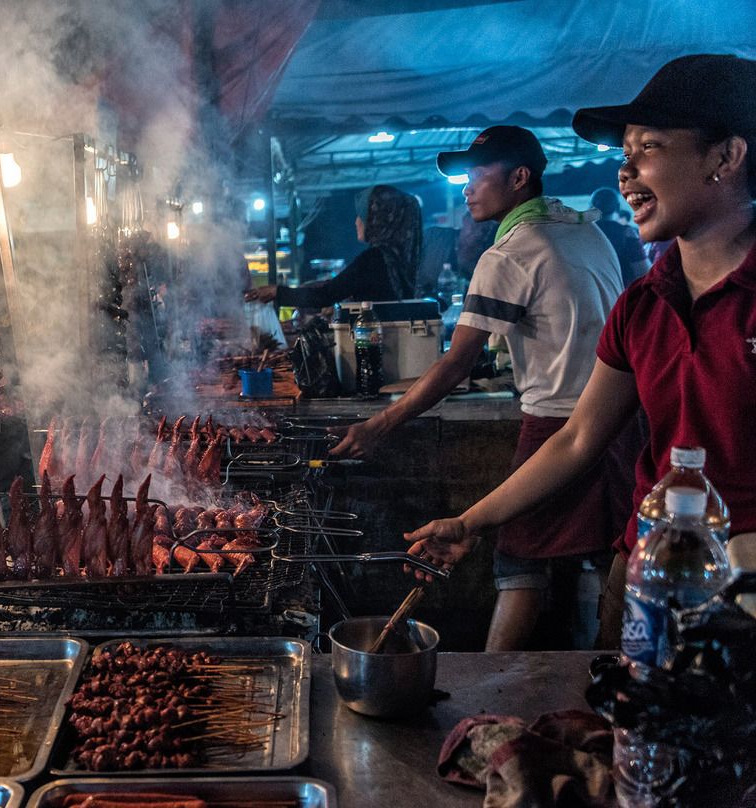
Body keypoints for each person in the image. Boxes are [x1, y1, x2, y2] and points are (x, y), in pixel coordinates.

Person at [404, 54, 756, 649]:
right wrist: (471, 522)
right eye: (624, 153)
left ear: (726, 156)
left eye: (649, 147)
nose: (626, 171)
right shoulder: (643, 304)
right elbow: (576, 439)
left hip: (745, 589)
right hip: (645, 572)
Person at [330, 125, 624, 651]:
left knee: (519, 560)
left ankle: (492, 683)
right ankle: (604, 677)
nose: (467, 188)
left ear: (518, 178)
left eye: (476, 174)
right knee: (603, 555)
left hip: (558, 424)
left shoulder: (511, 252)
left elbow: (455, 365)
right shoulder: (586, 230)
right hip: (620, 421)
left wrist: (379, 425)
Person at [245, 184, 421, 308]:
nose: (356, 222)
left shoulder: (374, 259)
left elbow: (325, 296)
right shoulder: (401, 256)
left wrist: (277, 292)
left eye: (362, 215)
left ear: (379, 220)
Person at [590, 186, 649, 287]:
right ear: (617, 207)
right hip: (621, 295)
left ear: (591, 207)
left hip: (592, 296)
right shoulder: (627, 233)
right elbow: (643, 270)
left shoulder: (583, 233)